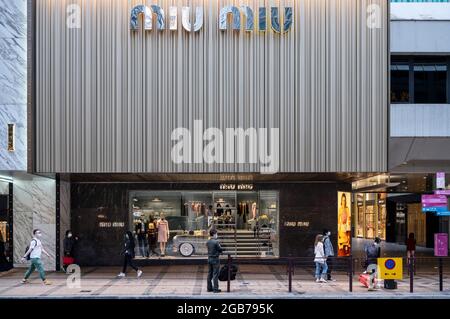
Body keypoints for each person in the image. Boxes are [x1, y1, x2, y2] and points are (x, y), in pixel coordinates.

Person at [206, 229, 223, 293]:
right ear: (214, 234)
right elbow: (220, 250)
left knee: (209, 274)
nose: (217, 235)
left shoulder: (208, 242)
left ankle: (209, 288)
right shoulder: (216, 242)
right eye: (216, 234)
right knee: (215, 274)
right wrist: (220, 247)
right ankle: (216, 289)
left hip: (209, 259)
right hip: (215, 259)